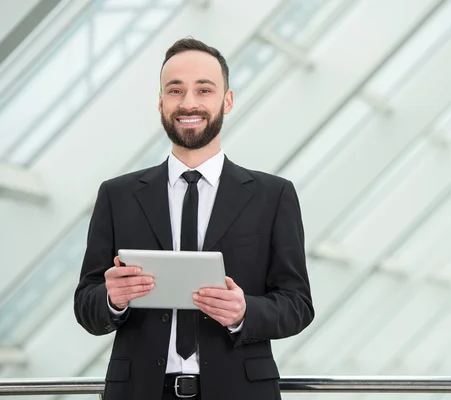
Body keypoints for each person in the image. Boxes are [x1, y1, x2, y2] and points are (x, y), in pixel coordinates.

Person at [74, 37, 314, 400]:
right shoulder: (117, 195)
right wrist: (112, 299)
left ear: (227, 101)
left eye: (204, 89)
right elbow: (85, 303)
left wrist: (244, 311)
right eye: (175, 90)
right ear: (160, 103)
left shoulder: (273, 196)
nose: (189, 103)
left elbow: (298, 305)